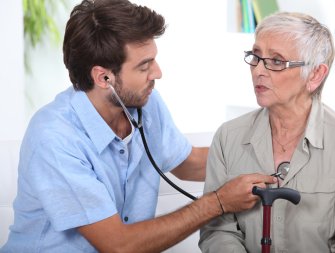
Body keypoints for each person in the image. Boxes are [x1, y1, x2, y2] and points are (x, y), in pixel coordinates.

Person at [0, 0, 277, 252]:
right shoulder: (55, 138)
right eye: (144, 66)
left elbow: (187, 162)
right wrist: (217, 202)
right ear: (103, 77)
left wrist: (275, 152)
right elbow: (119, 246)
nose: (157, 73)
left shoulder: (145, 103)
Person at [199, 12, 335, 253]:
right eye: (256, 56)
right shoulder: (227, 137)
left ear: (315, 75)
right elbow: (217, 232)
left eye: (276, 61)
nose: (258, 71)